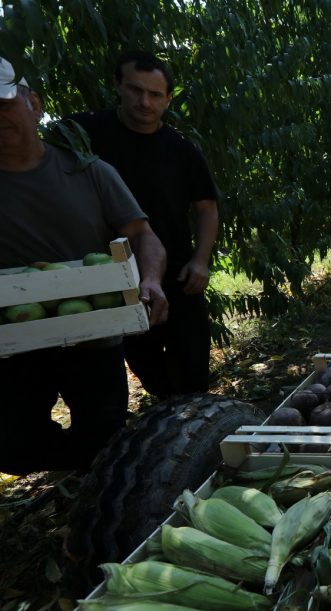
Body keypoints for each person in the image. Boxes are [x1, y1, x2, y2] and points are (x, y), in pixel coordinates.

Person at [0, 56, 168, 474]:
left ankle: (94, 489)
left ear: (33, 103)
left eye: (0, 104)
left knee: (104, 434)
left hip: (91, 334)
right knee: (7, 447)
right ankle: (77, 471)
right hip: (4, 345)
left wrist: (152, 279)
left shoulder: (88, 173)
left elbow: (142, 235)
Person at [67, 50, 219, 399]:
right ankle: (169, 412)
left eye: (154, 94)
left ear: (168, 99)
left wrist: (201, 260)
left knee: (192, 359)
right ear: (118, 86)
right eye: (135, 90)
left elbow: (207, 207)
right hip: (112, 273)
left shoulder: (181, 149)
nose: (144, 102)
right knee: (142, 357)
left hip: (178, 275)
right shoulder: (85, 135)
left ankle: (191, 413)